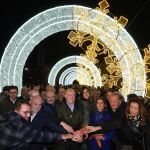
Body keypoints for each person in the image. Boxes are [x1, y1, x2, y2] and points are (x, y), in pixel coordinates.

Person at [0, 101, 73, 150]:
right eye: (25, 112)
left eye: (29, 112)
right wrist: (63, 136)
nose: (28, 115)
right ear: (16, 110)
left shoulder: (8, 114)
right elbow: (38, 136)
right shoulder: (17, 124)